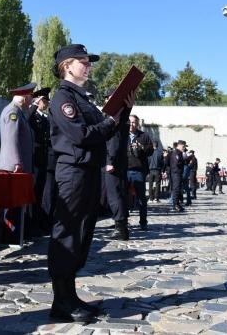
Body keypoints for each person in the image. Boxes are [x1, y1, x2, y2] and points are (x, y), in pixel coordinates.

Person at [47, 44, 133, 322]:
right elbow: (81, 135)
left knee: (82, 233)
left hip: (88, 171)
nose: (89, 66)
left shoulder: (82, 98)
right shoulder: (63, 97)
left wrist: (124, 111)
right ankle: (61, 301)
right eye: (83, 61)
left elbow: (107, 130)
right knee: (68, 233)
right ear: (67, 66)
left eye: (89, 61)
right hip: (73, 172)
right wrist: (110, 122)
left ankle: (70, 296)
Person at [0, 82, 35, 241]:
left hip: (19, 167)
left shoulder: (19, 113)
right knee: (11, 204)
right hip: (14, 168)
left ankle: (18, 235)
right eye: (31, 98)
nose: (31, 102)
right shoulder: (12, 112)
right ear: (24, 98)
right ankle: (10, 236)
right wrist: (16, 162)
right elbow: (11, 139)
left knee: (18, 203)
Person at [103, 89, 132, 240]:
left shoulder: (116, 117)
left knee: (114, 195)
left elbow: (113, 142)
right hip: (120, 161)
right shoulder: (122, 115)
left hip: (113, 162)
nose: (106, 101)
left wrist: (109, 162)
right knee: (119, 193)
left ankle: (120, 229)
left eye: (108, 99)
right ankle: (121, 225)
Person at [28, 87, 52, 235]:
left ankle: (38, 224)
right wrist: (34, 105)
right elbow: (27, 119)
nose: (47, 103)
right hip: (35, 159)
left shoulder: (44, 118)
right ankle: (32, 224)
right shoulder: (32, 115)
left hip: (43, 159)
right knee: (35, 192)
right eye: (45, 101)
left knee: (40, 193)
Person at [126, 115, 153, 229]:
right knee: (122, 197)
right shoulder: (122, 134)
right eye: (130, 122)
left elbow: (151, 151)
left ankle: (143, 222)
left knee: (141, 198)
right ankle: (122, 222)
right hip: (124, 170)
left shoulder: (144, 136)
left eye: (134, 122)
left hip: (138, 171)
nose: (131, 124)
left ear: (137, 124)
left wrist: (142, 147)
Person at [168, 140, 187, 212]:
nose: (184, 148)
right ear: (179, 145)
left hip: (178, 173)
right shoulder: (176, 153)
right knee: (176, 189)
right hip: (176, 173)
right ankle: (175, 205)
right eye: (183, 146)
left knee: (178, 189)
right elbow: (177, 163)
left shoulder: (179, 153)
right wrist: (183, 162)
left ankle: (177, 204)